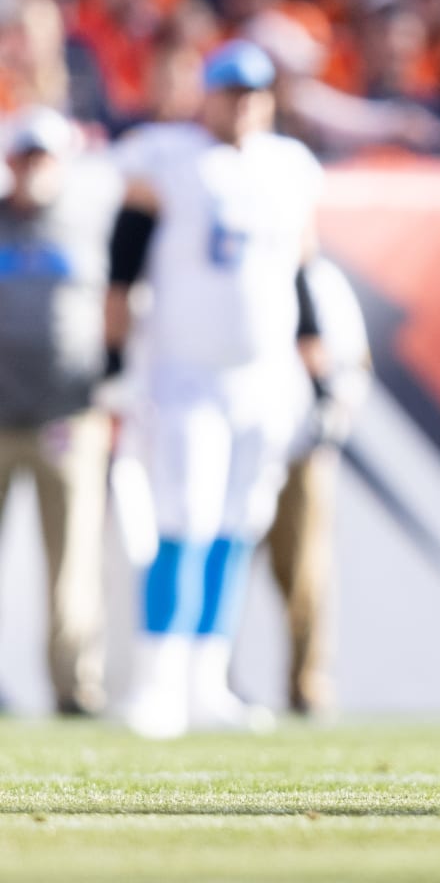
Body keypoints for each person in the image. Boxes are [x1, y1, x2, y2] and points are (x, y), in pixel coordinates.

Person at [104, 39, 325, 738]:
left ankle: (206, 683)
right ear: (206, 92)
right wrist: (112, 358)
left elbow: (300, 272)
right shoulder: (164, 157)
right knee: (183, 519)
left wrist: (314, 365)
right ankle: (156, 681)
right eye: (231, 91)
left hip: (262, 376)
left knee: (236, 525)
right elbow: (122, 269)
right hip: (184, 373)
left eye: (255, 93)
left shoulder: (288, 167)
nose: (243, 105)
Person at [0, 105, 118, 716]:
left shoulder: (90, 217)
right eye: (25, 157)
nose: (33, 170)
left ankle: (76, 687)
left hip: (66, 416)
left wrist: (113, 376)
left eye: (44, 158)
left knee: (72, 562)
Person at [266, 253, 371, 718]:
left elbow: (353, 360)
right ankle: (205, 676)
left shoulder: (323, 281)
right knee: (219, 562)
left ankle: (308, 681)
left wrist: (334, 415)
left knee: (306, 570)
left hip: (302, 446)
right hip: (240, 440)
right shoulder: (242, 264)